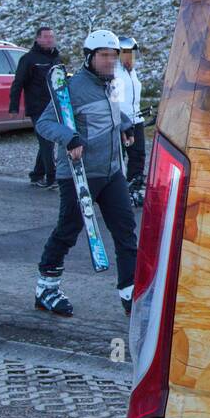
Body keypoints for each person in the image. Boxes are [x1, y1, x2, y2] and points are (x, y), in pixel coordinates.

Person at [33, 30, 138, 317]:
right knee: (68, 231)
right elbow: (44, 124)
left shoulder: (111, 84)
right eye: (104, 56)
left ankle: (130, 292)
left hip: (112, 172)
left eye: (113, 56)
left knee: (126, 231)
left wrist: (125, 125)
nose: (109, 62)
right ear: (90, 58)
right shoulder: (72, 88)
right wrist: (70, 137)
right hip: (78, 175)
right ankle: (47, 288)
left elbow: (113, 114)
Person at [9, 26, 63, 188]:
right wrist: (13, 107)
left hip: (54, 106)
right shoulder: (29, 59)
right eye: (46, 37)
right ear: (38, 39)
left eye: (51, 37)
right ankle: (52, 178)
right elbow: (18, 83)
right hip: (37, 107)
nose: (49, 40)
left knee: (48, 141)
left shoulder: (57, 58)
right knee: (46, 141)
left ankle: (37, 175)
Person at [113, 36, 146, 205]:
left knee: (138, 155)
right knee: (119, 157)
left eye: (132, 54)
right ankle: (117, 192)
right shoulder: (116, 73)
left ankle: (134, 188)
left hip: (136, 119)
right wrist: (123, 124)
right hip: (122, 122)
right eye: (127, 53)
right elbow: (115, 103)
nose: (131, 57)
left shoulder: (131, 71)